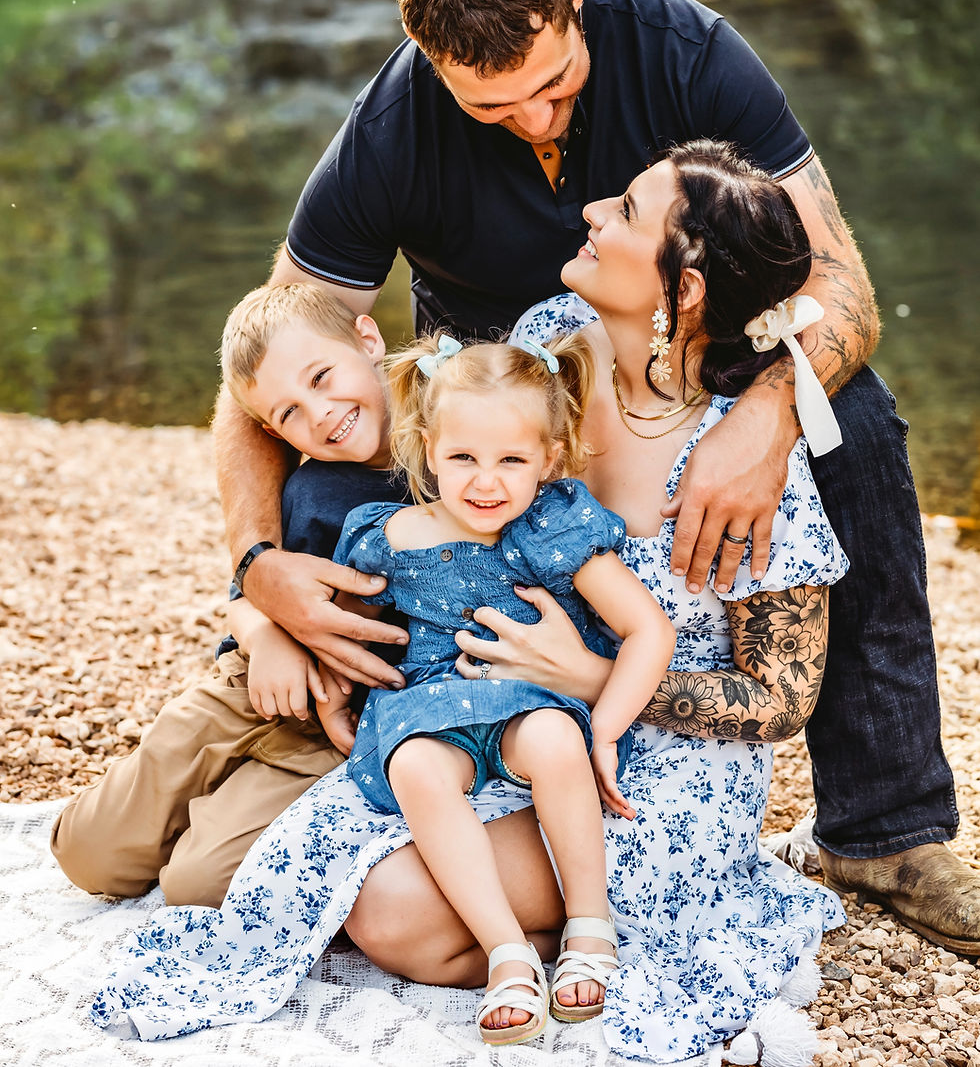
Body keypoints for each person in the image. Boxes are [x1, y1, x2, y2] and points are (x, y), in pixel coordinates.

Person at [210, 0, 979, 954]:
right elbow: (265, 354)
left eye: (553, 87)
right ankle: (345, 729)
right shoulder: (390, 128)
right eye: (491, 105)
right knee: (322, 480)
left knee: (853, 420)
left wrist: (761, 413)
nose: (531, 120)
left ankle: (882, 829)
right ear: (430, 64)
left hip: (694, 349)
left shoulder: (689, 54)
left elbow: (838, 279)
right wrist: (254, 569)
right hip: (495, 384)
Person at [90, 142, 849, 1065]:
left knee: (394, 913)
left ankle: (608, 939)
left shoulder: (748, 465)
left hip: (651, 764)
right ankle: (521, 940)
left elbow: (783, 700)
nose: (592, 211)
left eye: (628, 211)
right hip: (481, 703)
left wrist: (593, 677)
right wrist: (259, 594)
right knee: (332, 883)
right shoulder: (542, 341)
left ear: (682, 292)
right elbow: (377, 414)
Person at [332, 333, 676, 1043]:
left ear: (548, 460)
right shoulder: (389, 536)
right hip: (430, 704)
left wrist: (604, 728)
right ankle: (507, 953)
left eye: (511, 461)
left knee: (553, 740)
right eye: (463, 457)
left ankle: (589, 927)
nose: (485, 483)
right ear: (427, 448)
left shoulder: (550, 526)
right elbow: (340, 618)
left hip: (530, 699)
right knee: (417, 765)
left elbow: (649, 630)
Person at [50, 283, 409, 906]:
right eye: (289, 413)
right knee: (88, 855)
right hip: (250, 679)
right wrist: (269, 637)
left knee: (195, 885)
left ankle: (230, 815)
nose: (319, 414)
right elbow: (243, 595)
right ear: (271, 432)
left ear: (368, 339)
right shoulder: (308, 489)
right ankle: (191, 804)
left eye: (321, 377)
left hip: (344, 721)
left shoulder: (458, 459)